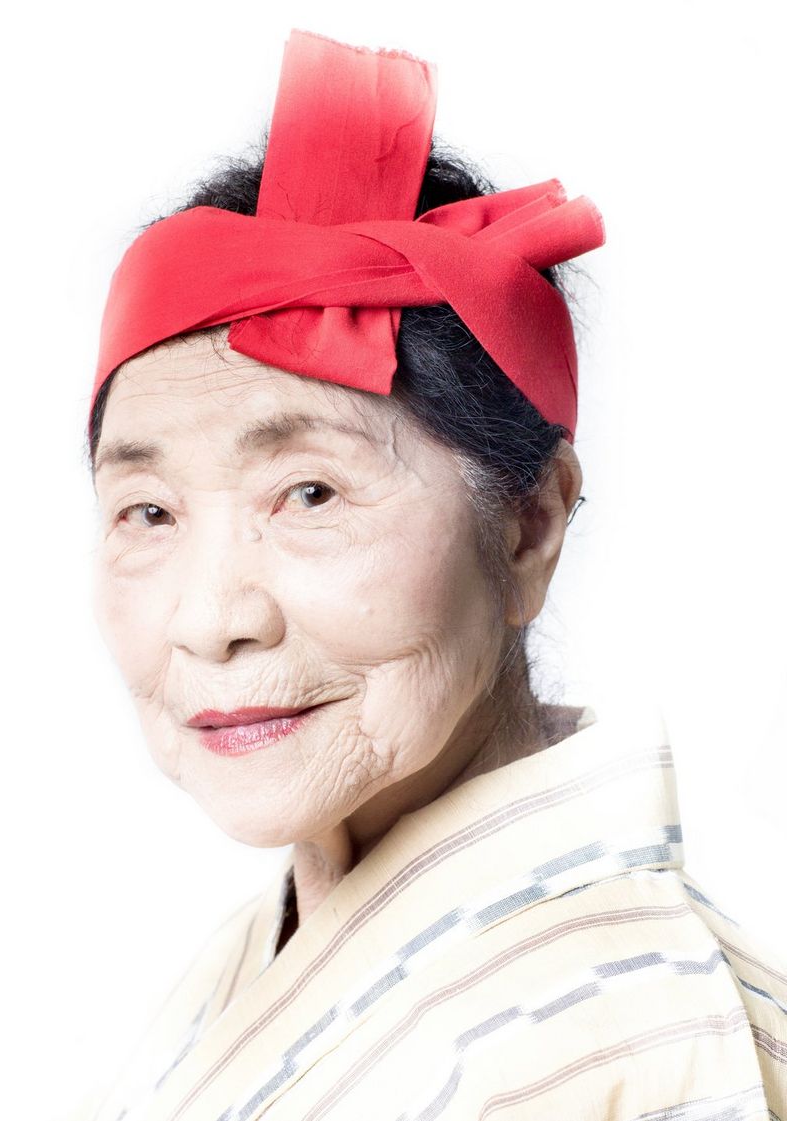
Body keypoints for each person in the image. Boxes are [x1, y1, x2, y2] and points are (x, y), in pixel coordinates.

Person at [70, 27, 786, 1121]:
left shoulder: (620, 1035)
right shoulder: (249, 961)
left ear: (526, 526)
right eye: (148, 510)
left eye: (308, 493)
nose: (210, 619)